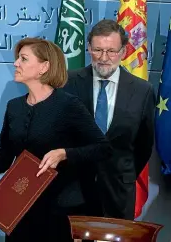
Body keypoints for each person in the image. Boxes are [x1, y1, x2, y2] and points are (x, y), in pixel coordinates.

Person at [0, 38, 112, 242]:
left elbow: (103, 148)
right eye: (18, 59)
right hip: (20, 212)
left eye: (24, 59)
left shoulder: (68, 105)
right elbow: (1, 159)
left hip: (61, 214)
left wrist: (64, 154)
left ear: (44, 67)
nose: (16, 63)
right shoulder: (14, 107)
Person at [63, 19, 156, 220]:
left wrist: (121, 173)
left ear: (123, 51)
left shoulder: (143, 91)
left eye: (111, 51)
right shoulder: (68, 83)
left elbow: (144, 145)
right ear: (88, 49)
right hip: (74, 189)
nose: (104, 58)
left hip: (119, 193)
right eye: (98, 50)